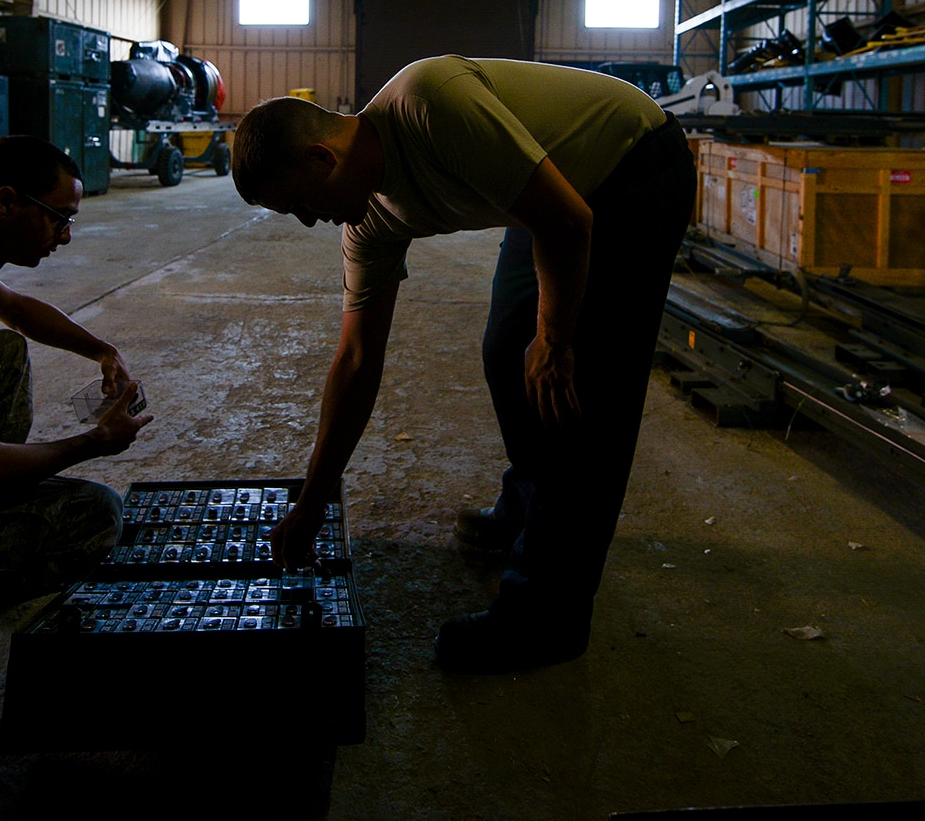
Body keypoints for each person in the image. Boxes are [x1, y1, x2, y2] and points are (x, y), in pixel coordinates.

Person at [232, 56, 695, 673]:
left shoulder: (430, 104)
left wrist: (556, 340)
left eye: (300, 203)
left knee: (579, 392)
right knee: (507, 350)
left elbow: (569, 222)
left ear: (322, 159)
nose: (310, 220)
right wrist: (312, 501)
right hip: (551, 191)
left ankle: (545, 616)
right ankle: (532, 502)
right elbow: (358, 357)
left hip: (630, 168)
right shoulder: (367, 221)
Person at [0, 134, 152, 615]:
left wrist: (104, 351)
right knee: (98, 514)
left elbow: (17, 309)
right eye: (58, 217)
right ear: (6, 203)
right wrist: (95, 441)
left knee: (8, 347)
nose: (65, 236)